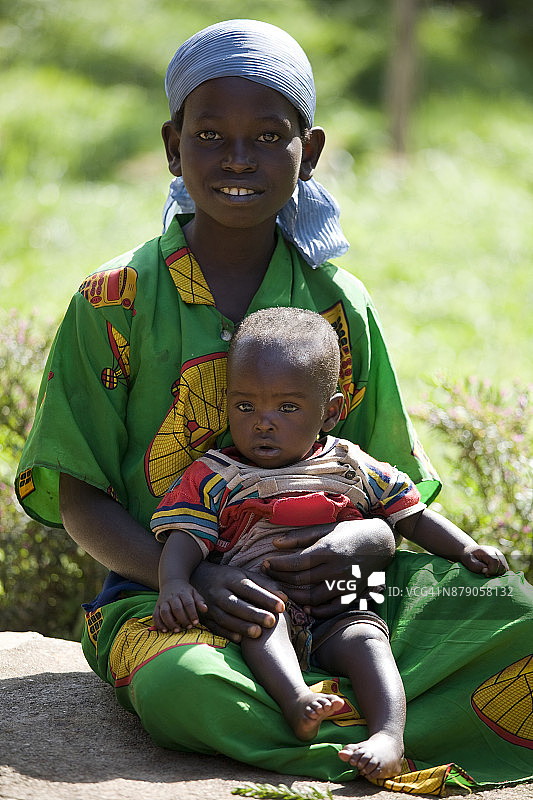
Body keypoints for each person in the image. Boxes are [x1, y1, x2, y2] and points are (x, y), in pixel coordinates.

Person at [15, 18, 533, 792]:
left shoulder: (336, 304)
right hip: (167, 596)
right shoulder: (113, 301)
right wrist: (181, 576)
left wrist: (366, 541)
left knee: (511, 612)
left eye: (267, 136)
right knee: (183, 686)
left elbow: (382, 486)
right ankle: (358, 727)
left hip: (344, 592)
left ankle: (362, 724)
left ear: (310, 151)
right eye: (210, 134)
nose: (236, 158)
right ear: (171, 145)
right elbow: (80, 492)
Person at [150, 306, 508, 779]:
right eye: (245, 406)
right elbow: (185, 539)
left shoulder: (350, 464)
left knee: (368, 641)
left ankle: (387, 736)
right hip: (265, 599)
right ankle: (297, 699)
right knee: (260, 626)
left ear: (331, 412)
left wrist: (465, 548)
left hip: (345, 602)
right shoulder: (216, 474)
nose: (263, 422)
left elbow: (413, 517)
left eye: (287, 407)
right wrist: (174, 583)